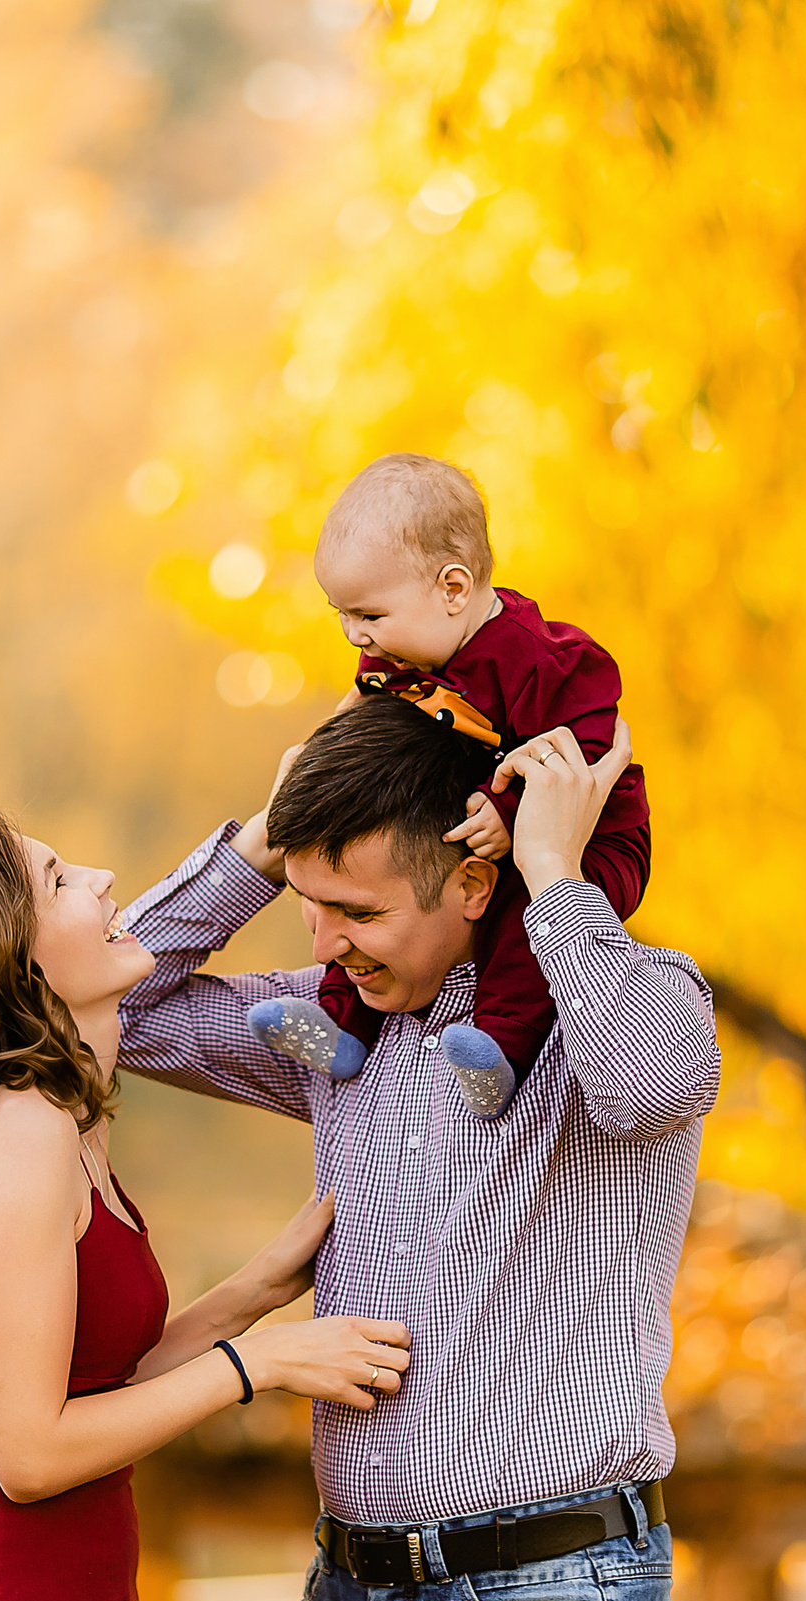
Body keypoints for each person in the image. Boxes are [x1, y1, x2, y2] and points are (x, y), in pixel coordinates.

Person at [118, 696, 720, 1601]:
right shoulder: (332, 1029)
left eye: (359, 913)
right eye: (308, 902)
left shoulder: (612, 1010)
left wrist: (554, 873)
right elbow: (107, 1007)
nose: (326, 942)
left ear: (475, 881)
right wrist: (264, 842)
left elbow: (655, 1085)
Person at [0, 807, 414, 1601]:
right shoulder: (15, 1132)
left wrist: (252, 1292)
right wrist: (259, 1363)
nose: (101, 880)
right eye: (58, 880)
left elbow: (103, 1385)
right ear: (12, 961)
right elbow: (29, 1453)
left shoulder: (60, 1120)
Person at [246, 452, 650, 1119]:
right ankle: (340, 1024)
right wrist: (320, 769)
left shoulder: (539, 660)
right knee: (353, 890)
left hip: (585, 843)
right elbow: (364, 708)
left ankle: (502, 1046)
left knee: (520, 919)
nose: (355, 634)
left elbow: (585, 752)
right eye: (340, 613)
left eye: (368, 614)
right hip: (477, 841)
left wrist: (510, 812)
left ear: (454, 589)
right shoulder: (408, 648)